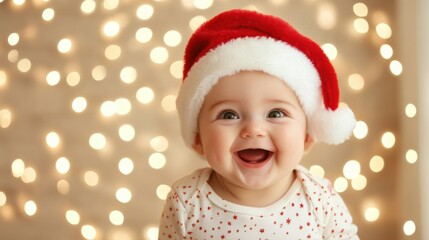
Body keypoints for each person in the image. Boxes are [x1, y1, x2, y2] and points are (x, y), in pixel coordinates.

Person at [159, 9, 359, 239]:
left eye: (276, 113)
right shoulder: (187, 201)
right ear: (197, 138)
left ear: (307, 136)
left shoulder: (320, 198)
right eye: (228, 115)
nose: (253, 129)